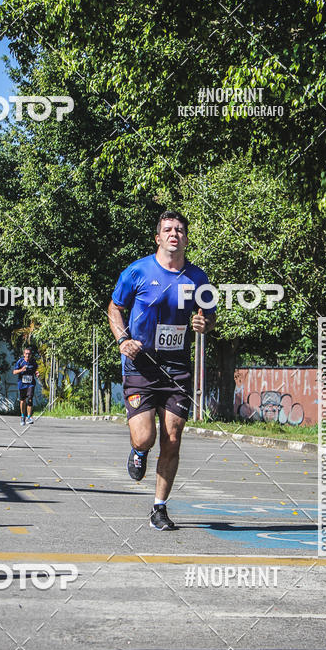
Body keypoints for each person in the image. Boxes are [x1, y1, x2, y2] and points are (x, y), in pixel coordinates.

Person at [108, 211, 215, 530]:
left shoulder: (198, 278)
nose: (174, 234)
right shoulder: (137, 271)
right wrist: (123, 339)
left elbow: (209, 317)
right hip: (141, 365)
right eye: (168, 229)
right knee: (146, 437)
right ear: (158, 237)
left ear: (186, 238)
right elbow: (115, 308)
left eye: (180, 230)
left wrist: (203, 324)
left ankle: (159, 507)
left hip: (177, 368)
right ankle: (138, 452)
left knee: (172, 436)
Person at [13, 346, 39, 426]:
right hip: (22, 384)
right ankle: (22, 416)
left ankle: (29, 417)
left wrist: (37, 373)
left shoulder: (33, 362)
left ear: (31, 355)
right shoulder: (20, 362)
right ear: (24, 354)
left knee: (30, 398)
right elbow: (14, 372)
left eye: (29, 354)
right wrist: (21, 370)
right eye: (26, 354)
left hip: (30, 384)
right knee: (22, 400)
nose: (28, 355)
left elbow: (36, 370)